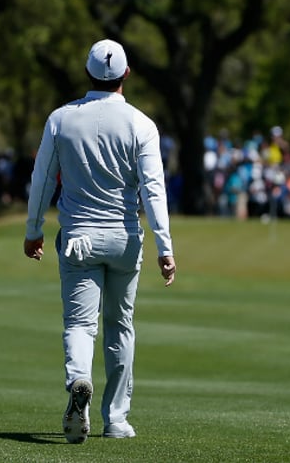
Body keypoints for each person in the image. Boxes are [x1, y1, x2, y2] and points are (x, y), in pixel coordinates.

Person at [23, 39, 177, 443]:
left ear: (88, 73)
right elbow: (153, 190)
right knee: (120, 326)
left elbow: (42, 181)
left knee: (79, 323)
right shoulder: (142, 124)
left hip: (79, 237)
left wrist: (33, 230)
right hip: (125, 239)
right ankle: (117, 419)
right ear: (126, 75)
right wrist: (165, 247)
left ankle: (78, 381)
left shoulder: (60, 119)